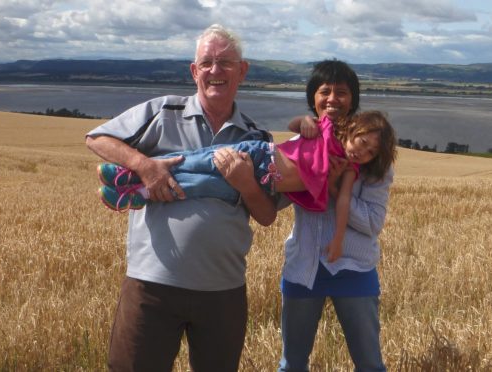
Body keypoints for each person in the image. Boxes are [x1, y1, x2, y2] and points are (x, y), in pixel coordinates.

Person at [85, 24, 278, 371]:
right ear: (194, 71)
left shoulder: (256, 137)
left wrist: (247, 184)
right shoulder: (163, 112)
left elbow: (266, 215)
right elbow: (97, 138)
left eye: (225, 63)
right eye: (206, 63)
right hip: (152, 286)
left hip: (223, 290)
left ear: (242, 71)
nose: (215, 71)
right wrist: (144, 166)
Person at [96, 111, 390, 262]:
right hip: (260, 155)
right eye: (362, 143)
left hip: (264, 187)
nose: (360, 153)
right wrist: (304, 121)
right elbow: (295, 124)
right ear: (353, 130)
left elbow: (342, 204)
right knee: (198, 162)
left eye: (369, 153)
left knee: (199, 185)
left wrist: (338, 239)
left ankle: (139, 194)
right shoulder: (325, 129)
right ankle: (131, 172)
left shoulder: (348, 171)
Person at [278, 60, 397, 371]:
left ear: (353, 100)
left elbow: (372, 224)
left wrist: (330, 184)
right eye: (324, 91)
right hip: (303, 268)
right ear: (313, 98)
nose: (332, 99)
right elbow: (275, 200)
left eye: (342, 92)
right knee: (292, 364)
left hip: (355, 270)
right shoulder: (298, 147)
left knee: (369, 364)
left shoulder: (373, 159)